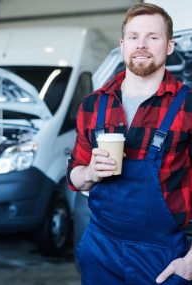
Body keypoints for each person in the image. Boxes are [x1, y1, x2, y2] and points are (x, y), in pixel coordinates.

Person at [67, 3, 192, 285]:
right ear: (123, 44)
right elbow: (74, 173)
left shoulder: (188, 106)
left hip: (161, 256)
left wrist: (190, 262)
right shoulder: (93, 104)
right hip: (100, 248)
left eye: (153, 37)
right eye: (134, 37)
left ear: (169, 45)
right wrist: (89, 173)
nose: (142, 45)